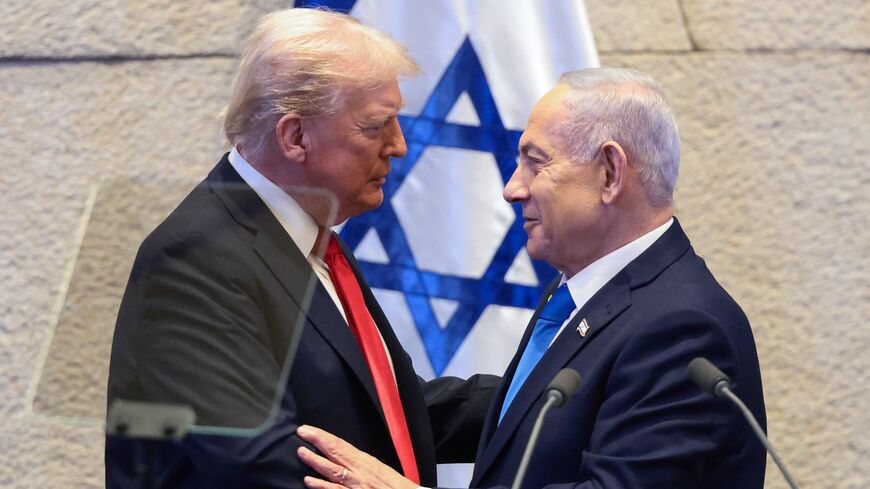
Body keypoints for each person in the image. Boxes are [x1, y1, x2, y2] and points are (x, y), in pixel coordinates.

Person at [295, 67, 767, 489]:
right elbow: (523, 419)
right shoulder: (581, 291)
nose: (511, 189)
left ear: (610, 173)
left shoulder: (684, 328)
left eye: (535, 163)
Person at [106, 8, 497, 488]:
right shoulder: (193, 259)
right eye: (377, 126)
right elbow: (255, 462)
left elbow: (386, 413)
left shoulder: (310, 235)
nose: (398, 146)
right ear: (295, 137)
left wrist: (547, 395)